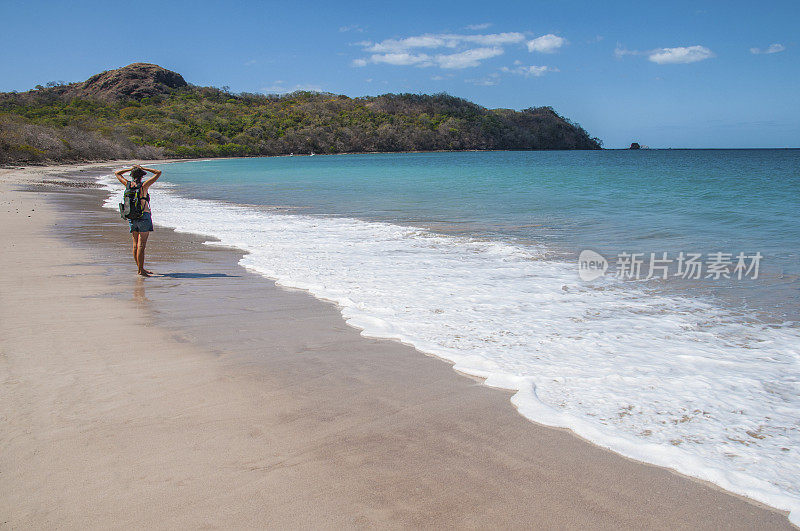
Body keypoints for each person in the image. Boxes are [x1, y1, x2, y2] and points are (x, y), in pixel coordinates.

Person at [115, 164, 161, 276]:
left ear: (132, 175)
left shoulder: (128, 184)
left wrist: (131, 169)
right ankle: (141, 270)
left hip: (131, 217)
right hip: (143, 216)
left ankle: (140, 269)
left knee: (135, 244)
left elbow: (117, 173)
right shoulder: (144, 186)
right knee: (142, 245)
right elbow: (158, 172)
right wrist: (144, 168)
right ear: (142, 176)